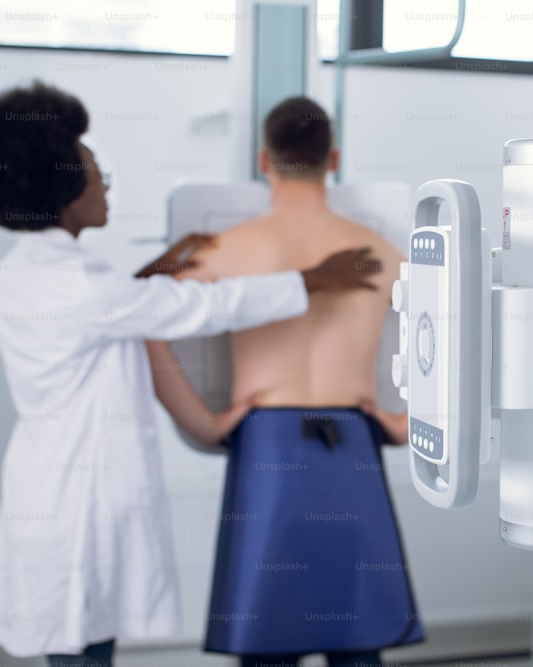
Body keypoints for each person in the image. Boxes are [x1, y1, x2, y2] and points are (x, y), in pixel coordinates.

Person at [0, 81, 381, 666]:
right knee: (81, 647)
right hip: (77, 504)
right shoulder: (80, 285)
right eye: (93, 168)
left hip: (55, 487)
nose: (105, 180)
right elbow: (198, 308)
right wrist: (316, 278)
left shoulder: (29, 271)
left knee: (85, 641)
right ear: (60, 189)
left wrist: (162, 265)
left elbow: (120, 306)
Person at [153, 95, 421, 667]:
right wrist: (407, 425)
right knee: (357, 647)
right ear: (334, 160)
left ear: (263, 160)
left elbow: (141, 322)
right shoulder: (377, 253)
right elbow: (452, 332)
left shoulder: (221, 250)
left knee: (268, 646)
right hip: (353, 445)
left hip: (265, 450)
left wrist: (205, 425)